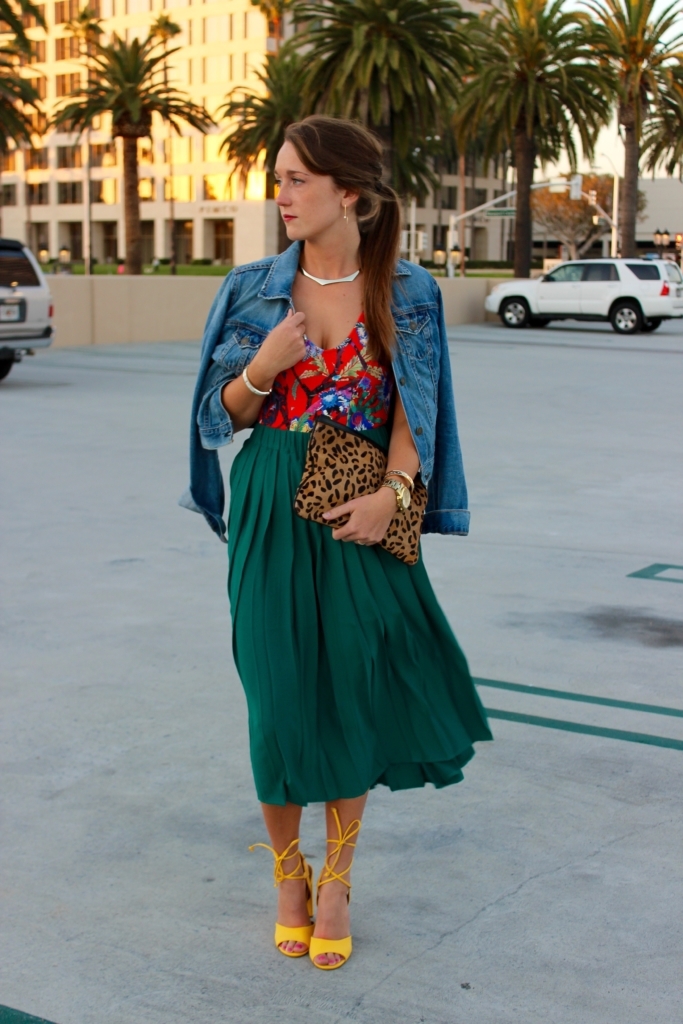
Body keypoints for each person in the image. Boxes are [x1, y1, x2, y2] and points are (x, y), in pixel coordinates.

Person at [182, 115, 491, 971]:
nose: (277, 194)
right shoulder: (251, 289)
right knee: (277, 696)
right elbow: (214, 418)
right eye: (276, 178)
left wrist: (392, 499)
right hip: (272, 505)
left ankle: (341, 880)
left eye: (294, 180)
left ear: (346, 191)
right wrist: (260, 369)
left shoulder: (410, 291)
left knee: (351, 689)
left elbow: (414, 414)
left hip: (362, 502)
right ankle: (288, 874)